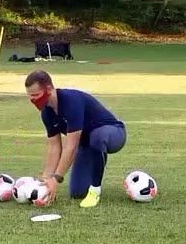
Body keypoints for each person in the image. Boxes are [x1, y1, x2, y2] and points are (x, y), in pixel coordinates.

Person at [25, 70, 127, 208]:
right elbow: (55, 147)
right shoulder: (47, 113)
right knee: (77, 192)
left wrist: (57, 178)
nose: (32, 100)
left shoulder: (71, 101)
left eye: (35, 95)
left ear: (48, 89)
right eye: (30, 96)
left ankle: (95, 190)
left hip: (114, 133)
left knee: (97, 137)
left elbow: (71, 146)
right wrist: (46, 180)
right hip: (86, 143)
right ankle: (87, 184)